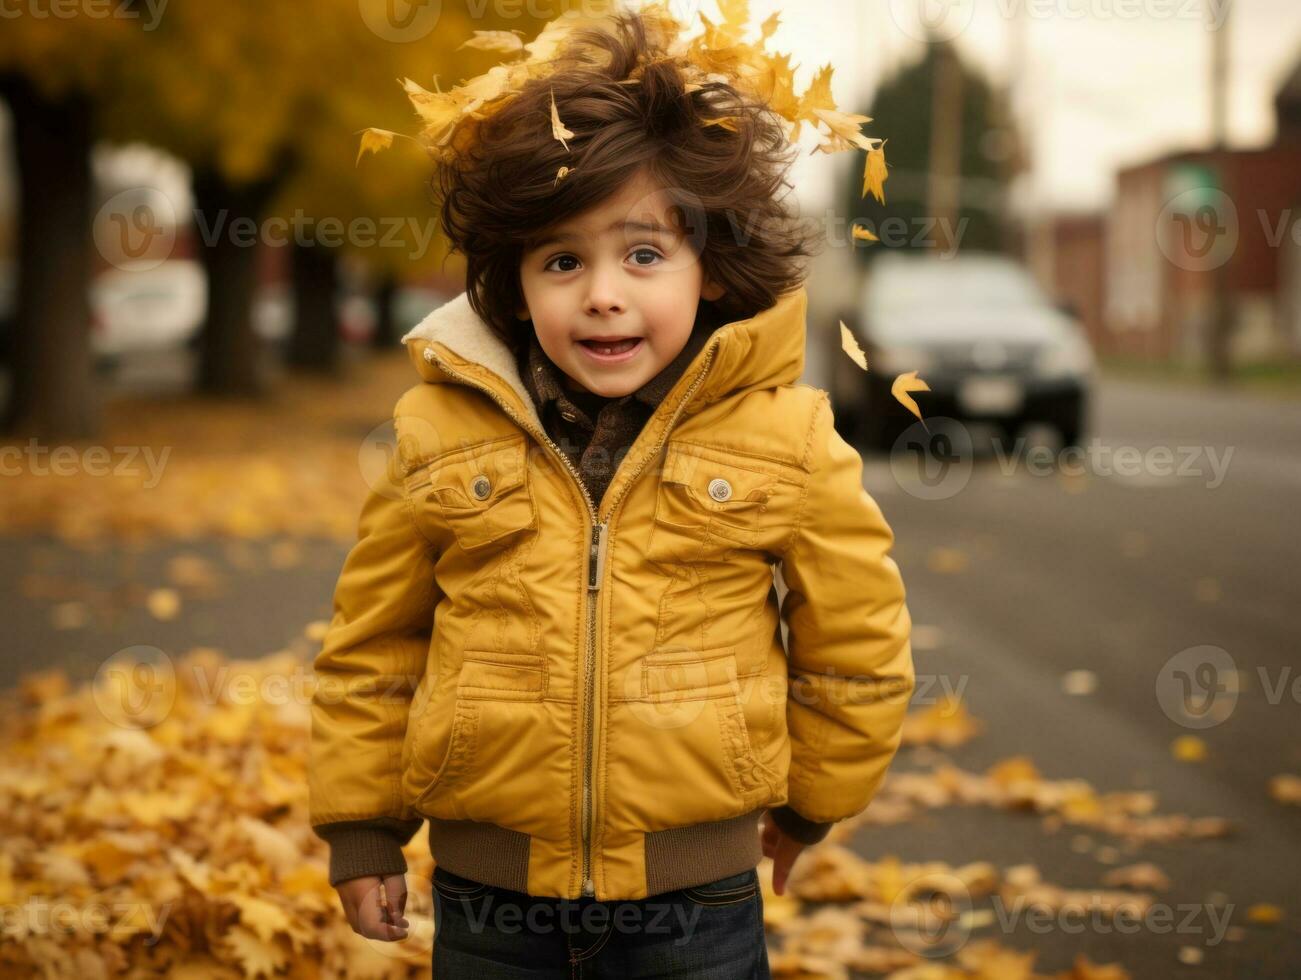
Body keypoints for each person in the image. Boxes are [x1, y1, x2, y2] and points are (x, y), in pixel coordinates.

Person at [309, 5, 913, 977]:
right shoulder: (438, 430)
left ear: (708, 269)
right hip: (487, 895)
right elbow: (372, 645)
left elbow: (855, 635)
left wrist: (812, 800)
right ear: (512, 280)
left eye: (642, 253)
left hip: (697, 901)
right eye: (562, 260)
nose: (601, 292)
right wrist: (363, 828)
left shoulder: (783, 434)